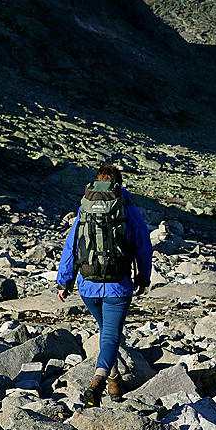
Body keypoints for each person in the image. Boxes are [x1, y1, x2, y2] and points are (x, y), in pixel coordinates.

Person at [57, 164, 152, 407]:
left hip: (88, 285)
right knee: (110, 336)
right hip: (118, 286)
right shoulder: (129, 210)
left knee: (106, 334)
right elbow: (143, 247)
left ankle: (114, 380)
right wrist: (143, 278)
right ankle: (98, 381)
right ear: (118, 184)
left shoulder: (84, 210)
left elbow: (71, 247)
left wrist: (64, 282)